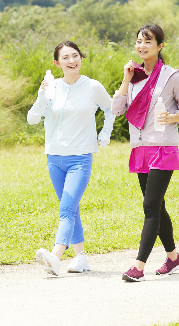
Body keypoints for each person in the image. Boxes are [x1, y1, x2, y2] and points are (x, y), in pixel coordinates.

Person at [111, 24, 179, 282]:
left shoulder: (173, 76)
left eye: (148, 41)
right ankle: (173, 258)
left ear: (160, 46)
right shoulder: (134, 77)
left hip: (163, 147)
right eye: (139, 41)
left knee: (149, 206)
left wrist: (173, 117)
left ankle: (138, 266)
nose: (142, 46)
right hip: (140, 148)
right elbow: (116, 110)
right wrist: (125, 79)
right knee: (158, 206)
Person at [28, 41, 116, 276]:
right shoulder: (51, 88)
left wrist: (104, 134)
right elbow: (32, 119)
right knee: (70, 207)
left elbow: (111, 109)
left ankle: (55, 257)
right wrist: (41, 96)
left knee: (66, 208)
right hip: (54, 158)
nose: (72, 60)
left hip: (80, 157)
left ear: (80, 58)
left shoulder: (92, 86)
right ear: (57, 63)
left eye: (75, 55)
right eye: (65, 57)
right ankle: (81, 258)